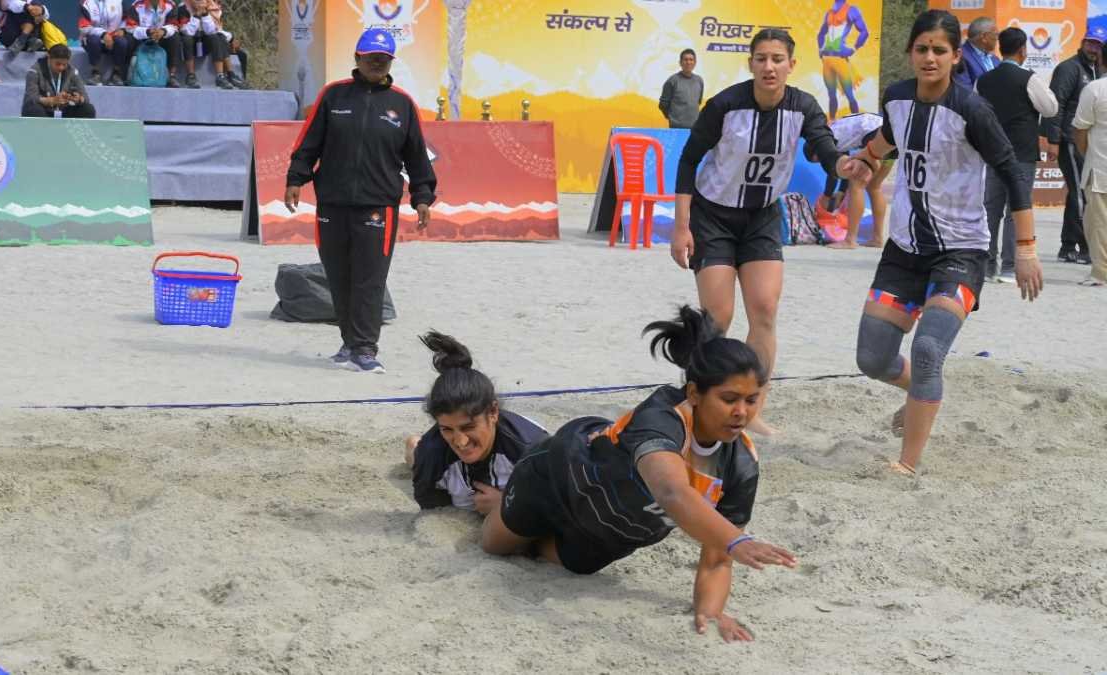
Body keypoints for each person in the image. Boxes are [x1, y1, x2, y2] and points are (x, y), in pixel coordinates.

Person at [479, 307, 797, 641]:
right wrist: (737, 540)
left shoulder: (742, 465)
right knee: (494, 546)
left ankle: (516, 518)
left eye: (752, 400)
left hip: (612, 534)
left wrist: (711, 612)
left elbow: (718, 559)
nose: (742, 412)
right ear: (694, 394)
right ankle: (500, 499)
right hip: (556, 479)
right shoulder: (663, 416)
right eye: (729, 399)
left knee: (557, 559)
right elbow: (671, 491)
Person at [848, 9, 1044, 476]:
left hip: (961, 250)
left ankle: (907, 463)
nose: (930, 58)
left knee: (928, 350)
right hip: (903, 250)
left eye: (940, 50)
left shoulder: (972, 109)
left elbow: (1013, 174)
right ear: (910, 53)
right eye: (922, 49)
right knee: (872, 358)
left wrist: (1027, 249)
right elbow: (887, 138)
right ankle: (923, 390)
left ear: (957, 56)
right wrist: (863, 161)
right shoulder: (897, 97)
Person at [670, 28, 868, 435]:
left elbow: (823, 147)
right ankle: (697, 401)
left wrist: (842, 166)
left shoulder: (803, 106)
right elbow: (688, 160)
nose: (769, 67)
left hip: (761, 216)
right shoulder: (725, 105)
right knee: (718, 318)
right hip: (713, 215)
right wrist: (681, 226)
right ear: (751, 64)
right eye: (761, 58)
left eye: (777, 59)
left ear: (791, 65)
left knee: (763, 310)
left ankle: (751, 406)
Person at [283, 29, 436, 375]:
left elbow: (417, 157)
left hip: (378, 206)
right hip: (332, 203)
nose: (377, 63)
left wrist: (422, 197)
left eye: (383, 59)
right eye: (371, 57)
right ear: (357, 58)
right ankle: (348, 343)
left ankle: (365, 348)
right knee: (339, 276)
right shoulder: (333, 95)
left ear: (391, 62)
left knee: (369, 279)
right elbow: (309, 143)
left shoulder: (402, 104)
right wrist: (296, 179)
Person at [407, 331, 549, 512]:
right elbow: (432, 510)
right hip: (430, 454)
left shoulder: (531, 450)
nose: (460, 441)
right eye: (447, 429)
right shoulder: (431, 452)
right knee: (417, 453)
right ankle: (413, 445)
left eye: (469, 427)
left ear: (493, 412)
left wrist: (507, 505)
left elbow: (560, 507)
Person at [976, 27, 1058, 283]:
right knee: (1017, 209)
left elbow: (975, 112)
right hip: (1020, 153)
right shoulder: (1029, 78)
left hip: (992, 152)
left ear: (1000, 49)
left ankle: (987, 265)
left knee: (990, 209)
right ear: (1023, 50)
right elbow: (1051, 108)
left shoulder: (984, 80)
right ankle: (1010, 267)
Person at [1047, 26, 1104, 265]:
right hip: (1070, 139)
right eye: (1090, 43)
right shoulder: (1069, 68)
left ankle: (1068, 246)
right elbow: (1055, 104)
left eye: (1098, 44)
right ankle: (1086, 246)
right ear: (1082, 43)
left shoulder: (1098, 70)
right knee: (1081, 193)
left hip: (1090, 142)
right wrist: (1053, 140)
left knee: (1079, 192)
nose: (1093, 48)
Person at [814, 111, 894, 249]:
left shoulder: (827, 139)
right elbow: (845, 163)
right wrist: (840, 191)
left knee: (856, 184)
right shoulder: (835, 129)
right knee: (874, 187)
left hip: (876, 135)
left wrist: (828, 195)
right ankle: (877, 238)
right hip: (891, 135)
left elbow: (838, 166)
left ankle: (850, 240)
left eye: (817, 160)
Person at [1073, 67, 1107, 287]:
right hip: (1099, 166)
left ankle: (1101, 273)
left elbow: (1080, 129)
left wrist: (1087, 155)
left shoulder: (1095, 88)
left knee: (1098, 223)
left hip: (1100, 167)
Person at [816, 0, 869, 120]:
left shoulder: (851, 10)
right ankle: (832, 123)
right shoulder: (829, 13)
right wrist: (821, 50)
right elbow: (821, 34)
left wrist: (854, 48)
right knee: (831, 95)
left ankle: (856, 122)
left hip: (840, 59)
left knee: (849, 95)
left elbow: (864, 32)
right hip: (828, 60)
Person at [125, 0, 189, 88]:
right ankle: (129, 74)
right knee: (129, 38)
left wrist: (163, 31)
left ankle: (172, 75)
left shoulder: (169, 4)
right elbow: (130, 27)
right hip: (143, 38)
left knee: (175, 37)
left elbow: (173, 25)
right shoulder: (137, 5)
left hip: (162, 37)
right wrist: (147, 32)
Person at [183, 0, 246, 90]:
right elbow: (188, 31)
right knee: (187, 39)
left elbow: (211, 30)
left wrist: (204, 14)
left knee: (217, 37)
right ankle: (191, 76)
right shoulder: (184, 8)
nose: (200, 2)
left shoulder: (211, 8)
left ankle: (222, 75)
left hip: (205, 42)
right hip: (190, 42)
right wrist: (196, 15)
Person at [21, 43, 95, 118]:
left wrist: (79, 99)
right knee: (32, 108)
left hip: (64, 110)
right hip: (43, 110)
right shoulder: (34, 71)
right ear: (49, 57)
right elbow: (31, 98)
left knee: (88, 109)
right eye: (58, 64)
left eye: (64, 64)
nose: (61, 68)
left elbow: (85, 98)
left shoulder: (72, 72)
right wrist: (50, 100)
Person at [78, 0, 132, 86]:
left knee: (122, 42)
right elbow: (84, 27)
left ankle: (116, 74)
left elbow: (126, 20)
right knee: (93, 40)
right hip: (93, 38)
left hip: (114, 36)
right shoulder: (86, 3)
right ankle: (95, 73)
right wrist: (103, 34)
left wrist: (122, 29)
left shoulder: (119, 1)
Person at [658, 48, 703, 130]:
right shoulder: (672, 81)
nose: (688, 62)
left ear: (695, 62)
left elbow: (698, 102)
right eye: (685, 60)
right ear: (680, 62)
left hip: (695, 128)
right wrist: (673, 118)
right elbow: (663, 105)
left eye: (691, 60)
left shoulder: (699, 80)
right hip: (676, 128)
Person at [953, 16, 999, 90]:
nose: (997, 38)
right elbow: (964, 90)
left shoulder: (995, 59)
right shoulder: (961, 56)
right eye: (996, 34)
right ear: (984, 37)